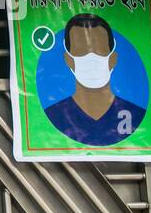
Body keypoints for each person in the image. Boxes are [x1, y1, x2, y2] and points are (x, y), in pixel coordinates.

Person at [43, 13, 145, 146]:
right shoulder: (55, 116)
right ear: (68, 61)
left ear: (113, 59)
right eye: (81, 51)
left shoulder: (135, 115)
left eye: (99, 50)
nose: (91, 58)